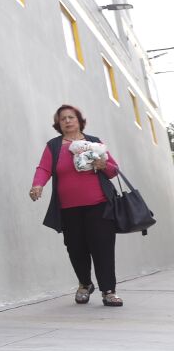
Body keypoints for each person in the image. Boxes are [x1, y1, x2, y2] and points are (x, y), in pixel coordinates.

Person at [30, 104, 124, 307]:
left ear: (79, 120)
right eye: (62, 118)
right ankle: (84, 283)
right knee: (75, 248)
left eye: (71, 117)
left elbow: (114, 169)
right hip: (68, 208)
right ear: (58, 124)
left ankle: (109, 291)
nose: (67, 121)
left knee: (103, 248)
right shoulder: (54, 146)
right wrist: (37, 185)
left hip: (99, 205)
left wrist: (103, 165)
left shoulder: (94, 142)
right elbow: (44, 168)